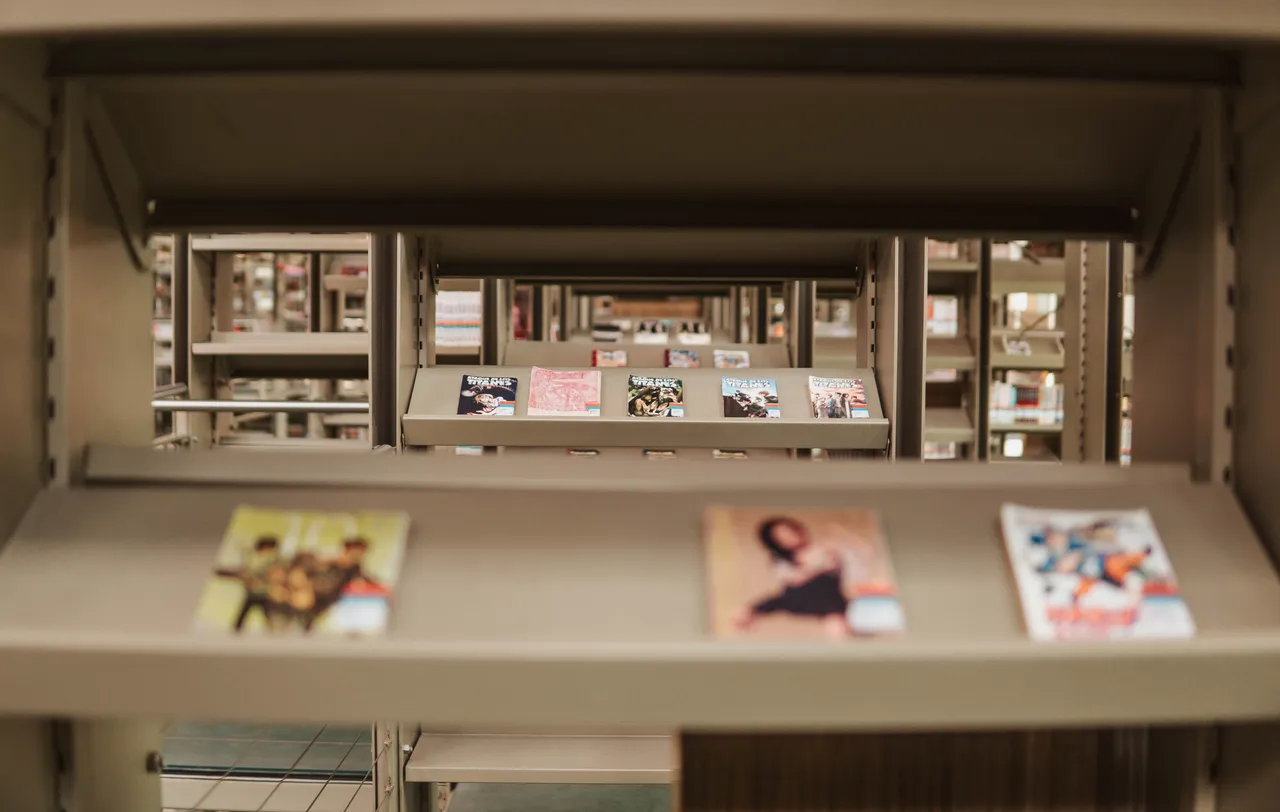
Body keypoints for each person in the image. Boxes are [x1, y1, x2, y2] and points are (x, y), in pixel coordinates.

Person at [734, 517, 852, 639]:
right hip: (800, 597)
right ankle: (748, 613)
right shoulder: (781, 562)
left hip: (828, 597)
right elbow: (793, 580)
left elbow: (841, 567)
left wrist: (840, 541)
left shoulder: (823, 550)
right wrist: (814, 569)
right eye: (782, 536)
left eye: (790, 531)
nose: (789, 536)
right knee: (779, 599)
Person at [216, 536, 281, 632]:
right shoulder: (253, 557)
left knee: (269, 619)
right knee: (242, 619)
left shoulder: (272, 559)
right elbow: (247, 571)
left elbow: (274, 574)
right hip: (252, 593)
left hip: (264, 594)